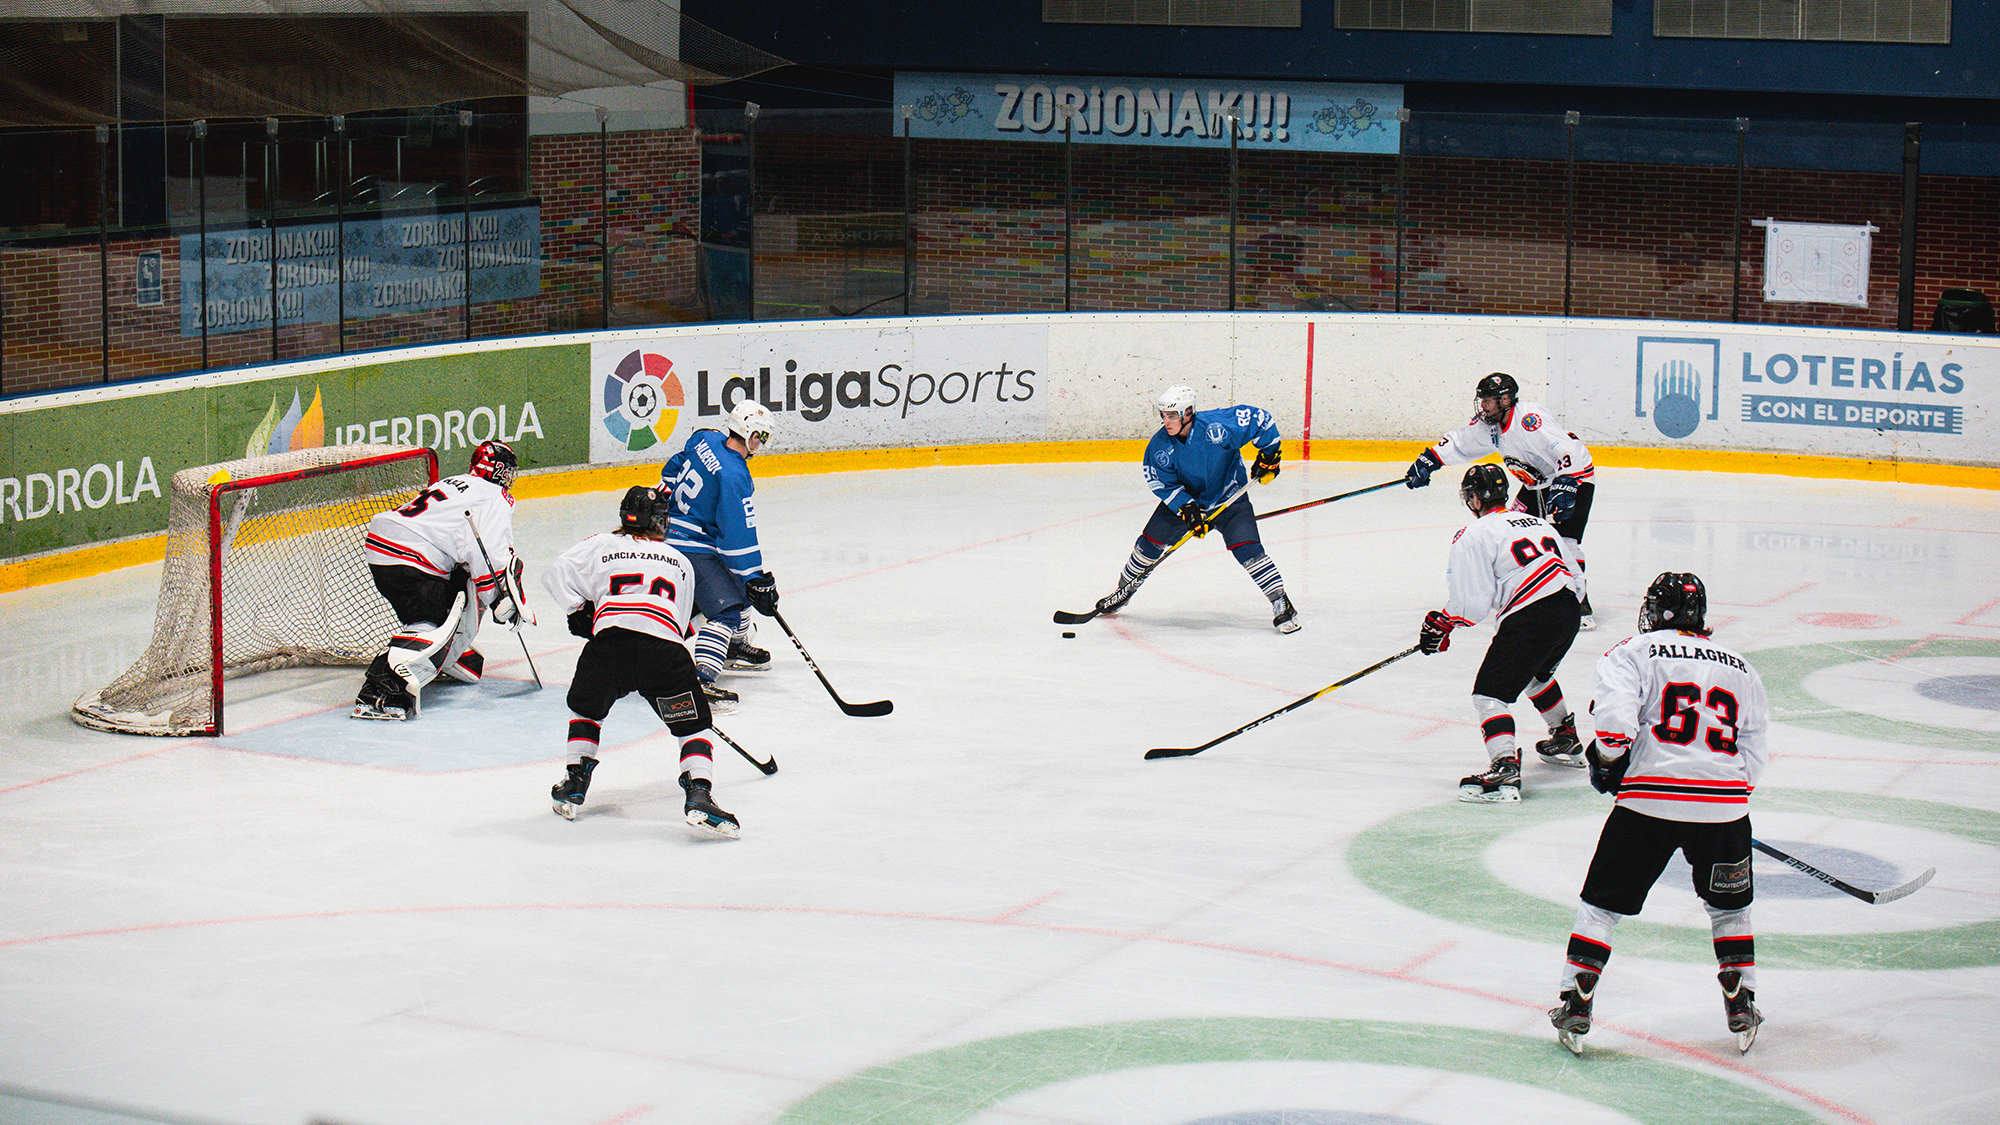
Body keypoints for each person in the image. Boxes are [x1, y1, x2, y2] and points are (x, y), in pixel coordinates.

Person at [1549, 572, 1770, 1054]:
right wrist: (1725, 797)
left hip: (1647, 805)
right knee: (1730, 910)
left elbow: (1612, 730)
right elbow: (1754, 750)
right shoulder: (1741, 667)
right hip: (1724, 808)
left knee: (1602, 907)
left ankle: (1578, 998)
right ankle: (1740, 998)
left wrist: (1608, 765)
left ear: (1657, 610)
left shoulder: (1629, 652)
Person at [540, 486, 739, 839]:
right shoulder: (679, 560)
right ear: (660, 521)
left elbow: (554, 573)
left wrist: (580, 610)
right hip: (663, 654)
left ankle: (574, 782)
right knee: (692, 728)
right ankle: (699, 795)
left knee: (588, 711)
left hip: (609, 647)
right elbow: (678, 626)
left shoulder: (601, 544)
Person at [1416, 463, 1584, 802]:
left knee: (1489, 696)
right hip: (1569, 609)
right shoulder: (1539, 523)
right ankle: (1564, 735)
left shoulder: (1473, 534)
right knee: (1537, 673)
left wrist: (1444, 621)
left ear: (1474, 498)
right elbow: (1576, 577)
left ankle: (1504, 768)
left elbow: (1471, 605)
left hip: (1532, 615)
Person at [1090, 385, 1299, 632]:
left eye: (1172, 415)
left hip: (1229, 498)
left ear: (1188, 412)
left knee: (1248, 550)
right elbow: (1160, 481)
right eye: (1164, 416)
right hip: (1189, 501)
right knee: (1148, 544)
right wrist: (1187, 508)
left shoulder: (1218, 426)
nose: (1166, 422)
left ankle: (1281, 602)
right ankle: (1124, 589)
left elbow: (1262, 421)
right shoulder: (1160, 447)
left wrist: (1270, 456)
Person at [1405, 372, 1599, 628]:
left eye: (1487, 400)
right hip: (1535, 484)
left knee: (1563, 541)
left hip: (1573, 478)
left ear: (1505, 399)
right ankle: (1527, 589)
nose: (1483, 406)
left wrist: (1568, 482)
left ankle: (1578, 606)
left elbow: (1566, 448)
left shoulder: (1530, 420)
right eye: (1482, 400)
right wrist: (1430, 459)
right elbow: (1463, 441)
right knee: (1517, 529)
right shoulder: (1492, 425)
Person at [352, 439, 523, 721]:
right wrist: (498, 598)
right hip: (410, 556)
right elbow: (487, 551)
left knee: (453, 593)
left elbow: (466, 543)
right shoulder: (494, 495)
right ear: (502, 471)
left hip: (386, 546)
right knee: (429, 623)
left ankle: (444, 657)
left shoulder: (456, 482)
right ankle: (381, 688)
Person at [658, 400, 781, 713]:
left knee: (736, 587)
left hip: (667, 531)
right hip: (690, 546)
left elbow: (675, 464)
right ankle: (700, 680)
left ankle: (733, 647)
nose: (761, 444)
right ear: (749, 434)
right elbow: (737, 534)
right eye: (761, 437)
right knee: (727, 609)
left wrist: (666, 489)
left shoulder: (705, 439)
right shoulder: (735, 475)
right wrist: (755, 578)